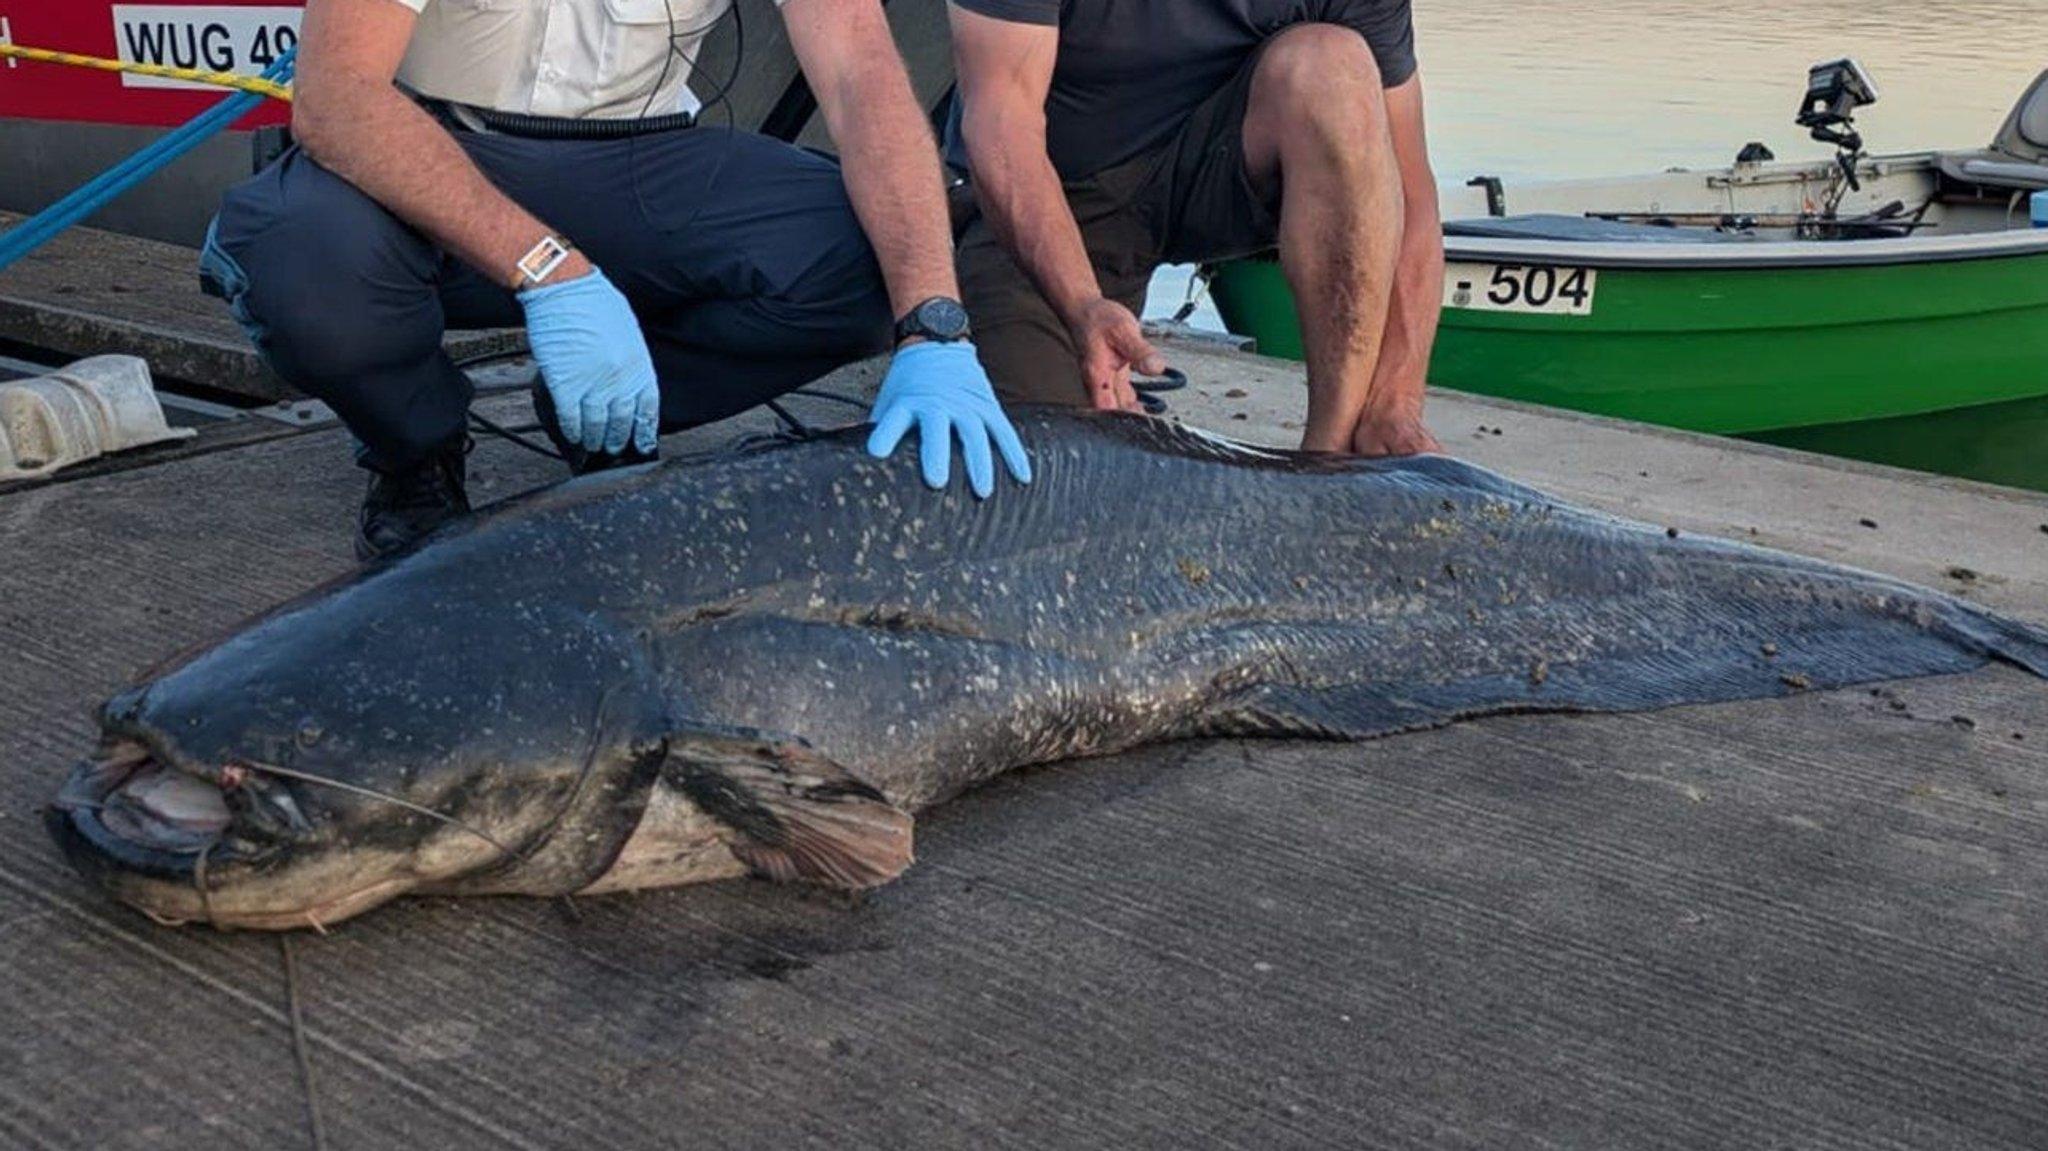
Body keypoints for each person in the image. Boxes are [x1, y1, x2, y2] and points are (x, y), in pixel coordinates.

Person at [203, 0, 1031, 561]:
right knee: (299, 258)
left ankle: (602, 420)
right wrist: (549, 270)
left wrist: (932, 322)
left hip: (643, 158)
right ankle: (415, 450)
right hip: (434, 148)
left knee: (868, 256)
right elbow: (337, 99)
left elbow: (861, 76)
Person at [947, 0, 1445, 458]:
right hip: (1060, 195)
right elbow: (1001, 128)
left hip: (1216, 171)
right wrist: (1082, 305)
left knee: (1333, 65)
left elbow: (1410, 194)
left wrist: (1396, 401)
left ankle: (1330, 457)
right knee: (1045, 455)